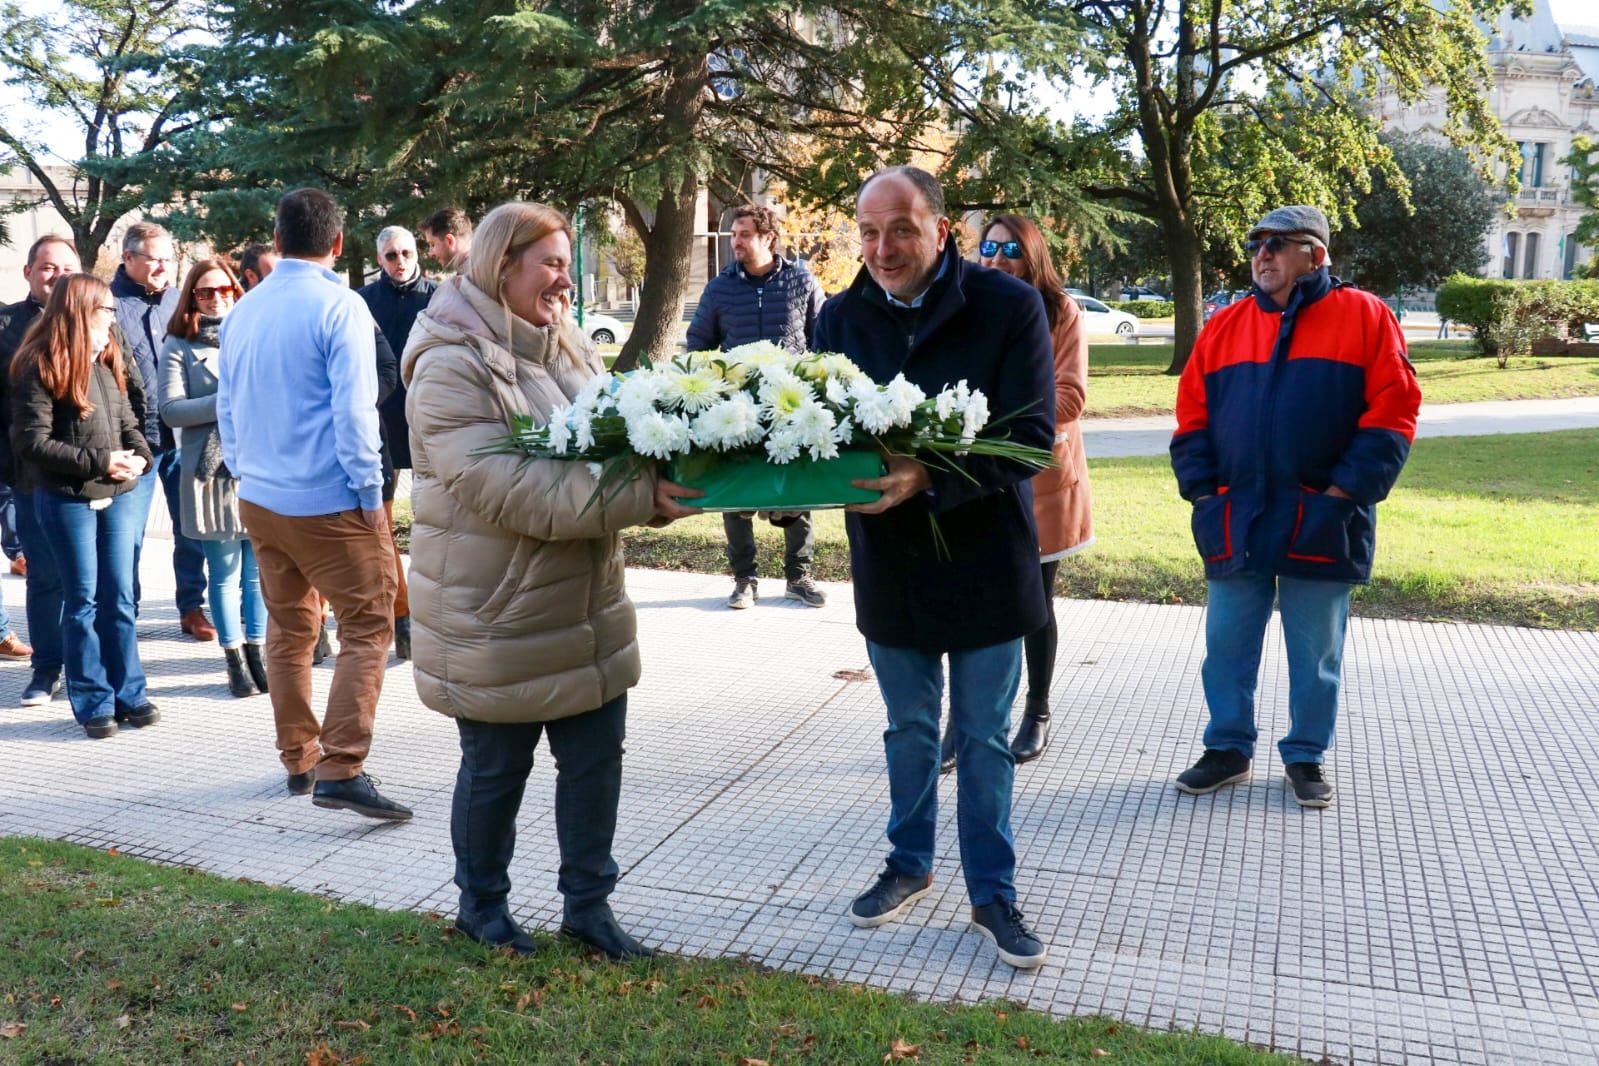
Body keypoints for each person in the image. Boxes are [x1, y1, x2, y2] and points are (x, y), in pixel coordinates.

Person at [402, 201, 700, 959]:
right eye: (553, 264)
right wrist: (637, 497)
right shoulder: (448, 361)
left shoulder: (562, 343)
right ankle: (482, 907)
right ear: (503, 266)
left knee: (595, 764)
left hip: (584, 601)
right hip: (496, 609)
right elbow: (503, 486)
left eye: (567, 264)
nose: (565, 281)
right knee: (497, 769)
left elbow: (612, 429)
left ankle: (589, 910)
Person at [813, 166, 1055, 969]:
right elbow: (822, 433)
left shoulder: (1007, 306)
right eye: (868, 230)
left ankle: (991, 893)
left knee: (983, 737)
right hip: (891, 562)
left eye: (901, 229)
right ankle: (907, 865)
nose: (882, 248)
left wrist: (928, 476)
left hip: (987, 560)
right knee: (910, 729)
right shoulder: (838, 319)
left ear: (940, 229)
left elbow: (1027, 437)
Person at [1170, 205, 1421, 809]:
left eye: (1279, 244)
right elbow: (1190, 419)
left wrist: (1341, 494)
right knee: (1227, 643)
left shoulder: (1365, 316)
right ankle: (1228, 746)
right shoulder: (1224, 327)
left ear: (1317, 255)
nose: (1263, 253)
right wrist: (1205, 494)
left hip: (1322, 516)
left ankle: (1306, 755)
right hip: (1238, 514)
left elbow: (1393, 413)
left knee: (1317, 653)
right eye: (1256, 242)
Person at [217, 187, 407, 820]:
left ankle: (298, 756)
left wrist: (245, 473)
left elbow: (227, 407)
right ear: (337, 244)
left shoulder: (245, 309)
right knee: (367, 626)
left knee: (291, 629)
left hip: (263, 498)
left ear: (275, 241)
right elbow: (355, 412)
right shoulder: (341, 305)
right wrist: (369, 494)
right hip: (328, 499)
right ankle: (342, 765)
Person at [960, 213, 1094, 765]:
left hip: (1040, 481)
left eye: (1010, 248)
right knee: (970, 601)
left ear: (1032, 254)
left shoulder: (1062, 312)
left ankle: (1037, 711)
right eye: (987, 247)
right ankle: (964, 720)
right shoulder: (964, 306)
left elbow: (1070, 396)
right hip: (973, 480)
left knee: (1033, 602)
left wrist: (988, 419)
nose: (995, 256)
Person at [10, 274, 156, 738]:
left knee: (121, 598)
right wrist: (100, 461)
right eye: (106, 310)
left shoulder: (108, 355)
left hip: (120, 495)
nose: (114, 317)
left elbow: (130, 416)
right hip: (67, 499)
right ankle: (93, 702)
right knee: (82, 603)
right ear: (81, 311)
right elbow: (31, 441)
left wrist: (140, 458)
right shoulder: (38, 361)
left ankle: (129, 694)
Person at [684, 203, 828, 609]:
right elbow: (698, 344)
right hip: (738, 406)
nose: (736, 242)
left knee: (797, 485)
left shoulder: (802, 282)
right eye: (734, 235)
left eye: (743, 235)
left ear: (768, 238)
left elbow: (825, 340)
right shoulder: (720, 287)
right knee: (736, 492)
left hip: (791, 404)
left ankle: (800, 576)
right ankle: (744, 579)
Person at [159, 258, 270, 700]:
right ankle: (234, 661)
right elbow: (170, 411)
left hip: (258, 466)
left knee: (257, 573)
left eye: (225, 289)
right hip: (209, 470)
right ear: (192, 297)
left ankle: (259, 652)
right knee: (224, 572)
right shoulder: (178, 344)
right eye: (206, 292)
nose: (218, 298)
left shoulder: (252, 332)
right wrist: (226, 401)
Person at [112, 220, 214, 641]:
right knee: (128, 537)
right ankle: (125, 612)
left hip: (183, 439)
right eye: (153, 259)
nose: (162, 267)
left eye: (168, 259)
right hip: (134, 443)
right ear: (128, 258)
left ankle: (192, 606)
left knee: (191, 529)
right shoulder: (109, 303)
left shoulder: (180, 301)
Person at [0, 236, 84, 696]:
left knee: (94, 582)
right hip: (30, 476)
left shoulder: (98, 322)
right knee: (46, 576)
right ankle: (47, 668)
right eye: (47, 267)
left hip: (90, 474)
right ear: (28, 272)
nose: (56, 276)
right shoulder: (5, 326)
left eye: (66, 267)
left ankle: (89, 670)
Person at [357, 225, 437, 661]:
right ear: (380, 258)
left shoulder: (438, 297)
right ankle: (400, 614)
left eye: (406, 252)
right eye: (391, 255)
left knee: (433, 519)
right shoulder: (363, 301)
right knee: (381, 528)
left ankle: (430, 607)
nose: (400, 260)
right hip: (381, 421)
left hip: (428, 420)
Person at [421, 207, 473, 273]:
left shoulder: (477, 278)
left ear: (450, 241)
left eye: (432, 244)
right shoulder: (480, 271)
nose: (430, 253)